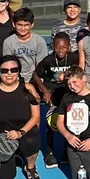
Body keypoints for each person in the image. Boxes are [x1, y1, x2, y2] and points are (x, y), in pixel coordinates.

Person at [0, 55, 42, 179]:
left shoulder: (28, 89)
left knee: (32, 140)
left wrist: (20, 133)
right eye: (4, 70)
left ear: (19, 71)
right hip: (0, 139)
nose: (9, 73)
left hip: (23, 132)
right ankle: (15, 155)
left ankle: (30, 167)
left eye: (13, 69)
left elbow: (36, 117)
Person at [55, 66, 90, 179]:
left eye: (74, 82)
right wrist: (68, 136)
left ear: (84, 78)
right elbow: (59, 121)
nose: (72, 86)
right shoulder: (67, 98)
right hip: (74, 143)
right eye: (69, 84)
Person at [33, 32, 78, 169]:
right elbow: (35, 74)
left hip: (67, 94)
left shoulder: (74, 59)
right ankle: (50, 152)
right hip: (52, 95)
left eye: (64, 47)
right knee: (50, 125)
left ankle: (67, 151)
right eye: (57, 47)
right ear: (53, 46)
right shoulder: (48, 60)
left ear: (69, 47)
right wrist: (45, 91)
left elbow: (79, 74)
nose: (60, 50)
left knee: (70, 123)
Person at [2, 8, 48, 91]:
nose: (23, 28)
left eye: (26, 25)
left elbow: (41, 66)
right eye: (19, 25)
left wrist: (34, 83)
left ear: (32, 24)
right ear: (13, 24)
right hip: (15, 80)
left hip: (35, 80)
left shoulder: (39, 41)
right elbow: (8, 65)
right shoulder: (8, 42)